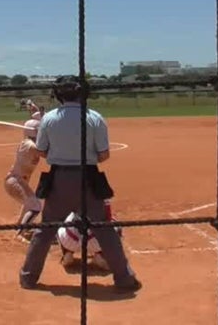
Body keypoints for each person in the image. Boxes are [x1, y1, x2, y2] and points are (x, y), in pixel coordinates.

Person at [19, 75, 141, 292]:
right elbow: (104, 155)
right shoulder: (95, 117)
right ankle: (124, 278)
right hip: (88, 179)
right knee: (105, 230)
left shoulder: (49, 119)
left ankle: (28, 277)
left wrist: (59, 148)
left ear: (58, 94)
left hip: (58, 180)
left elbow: (42, 152)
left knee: (45, 230)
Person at [4, 118, 44, 241]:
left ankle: (20, 224)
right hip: (14, 181)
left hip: (20, 181)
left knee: (30, 202)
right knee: (35, 205)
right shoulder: (28, 144)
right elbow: (43, 152)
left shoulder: (30, 142)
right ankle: (20, 233)